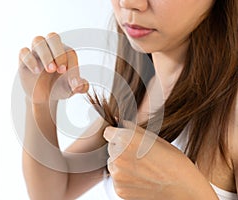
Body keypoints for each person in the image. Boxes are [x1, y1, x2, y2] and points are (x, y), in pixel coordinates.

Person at [18, 0, 238, 199]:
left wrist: (189, 193)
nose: (129, 3)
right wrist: (40, 102)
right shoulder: (139, 94)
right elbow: (53, 193)